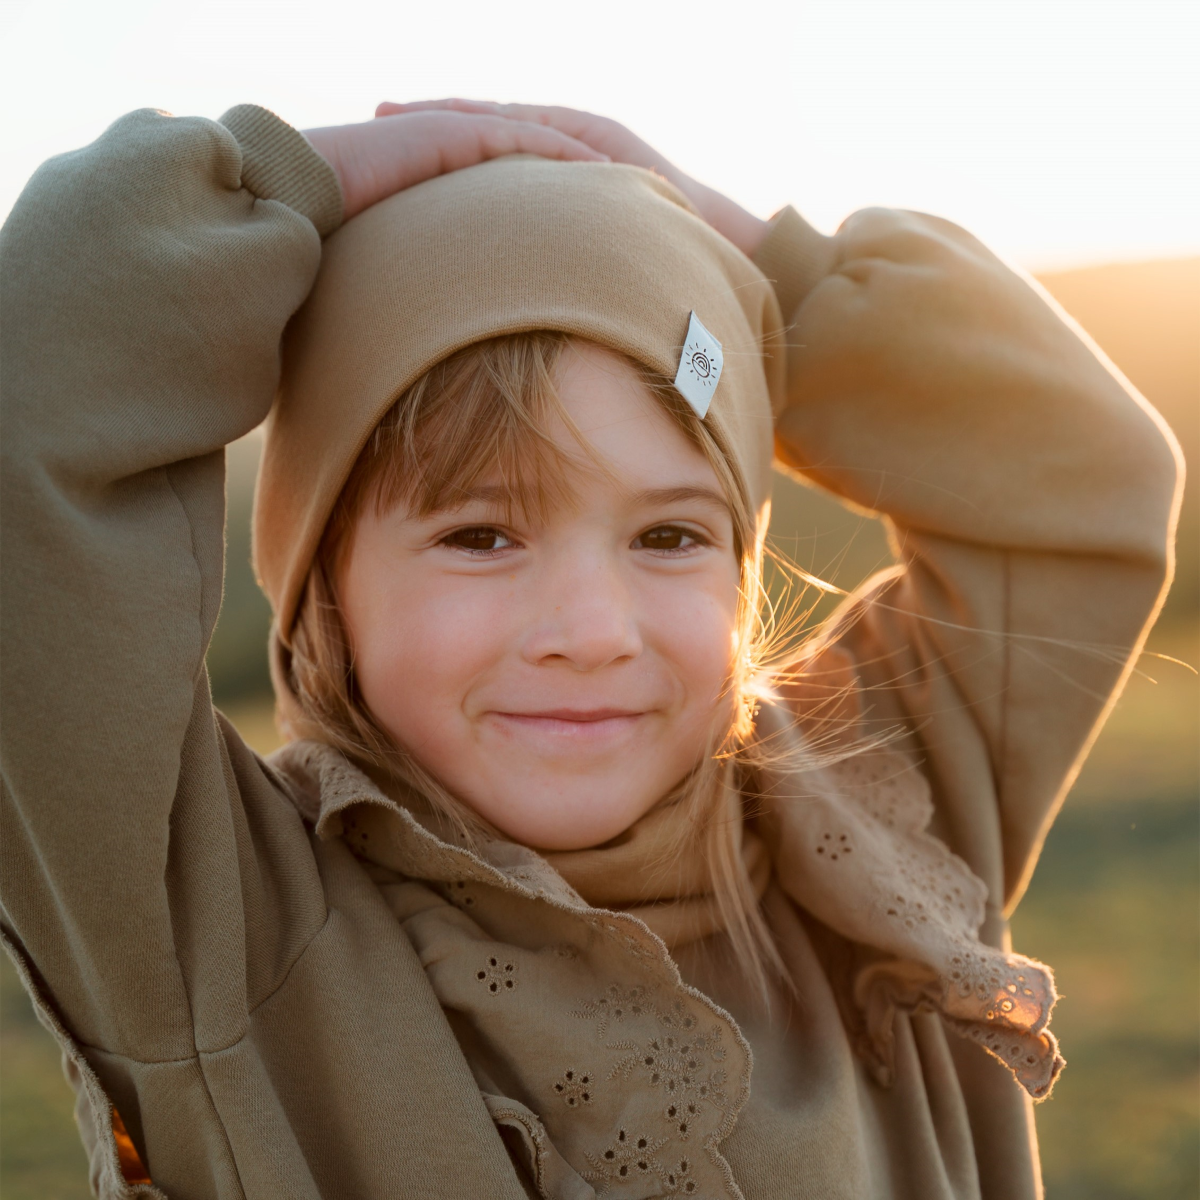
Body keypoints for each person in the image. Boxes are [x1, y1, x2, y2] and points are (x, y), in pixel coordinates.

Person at [0, 99, 1181, 1200]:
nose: (593, 635)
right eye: (481, 534)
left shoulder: (869, 817)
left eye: (669, 534)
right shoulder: (207, 920)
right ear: (326, 586)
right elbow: (33, 402)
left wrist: (760, 271)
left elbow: (1090, 476)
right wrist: (304, 181)